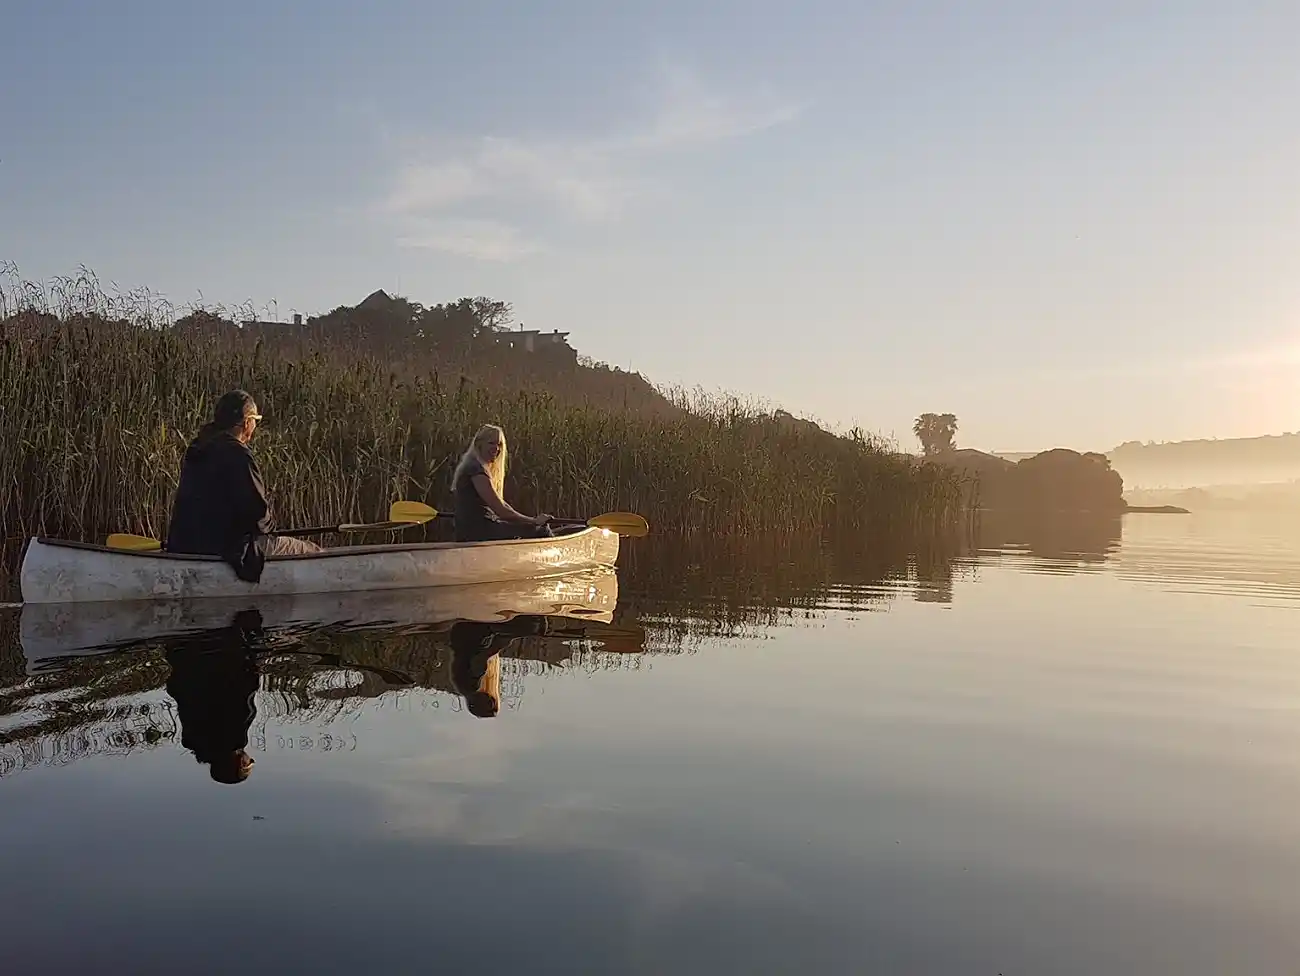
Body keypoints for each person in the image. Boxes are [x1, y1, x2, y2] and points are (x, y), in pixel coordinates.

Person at [165, 389, 320, 581]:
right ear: (247, 422)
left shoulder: (197, 449)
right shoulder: (239, 455)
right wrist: (271, 529)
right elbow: (260, 518)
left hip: (185, 545)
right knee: (311, 551)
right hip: (226, 549)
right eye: (255, 420)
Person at [450, 424, 555, 542]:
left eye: (499, 444)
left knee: (531, 527)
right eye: (491, 443)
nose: (496, 448)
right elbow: (500, 510)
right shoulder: (476, 469)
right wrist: (534, 522)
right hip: (478, 532)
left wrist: (531, 520)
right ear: (479, 444)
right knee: (541, 529)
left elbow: (501, 504)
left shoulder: (474, 465)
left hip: (475, 529)